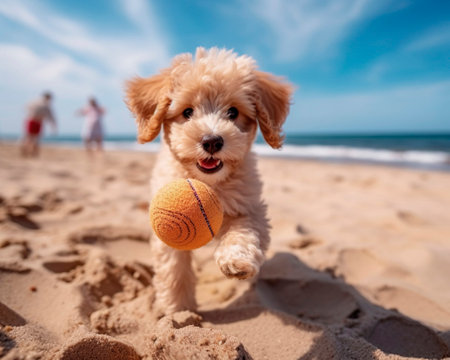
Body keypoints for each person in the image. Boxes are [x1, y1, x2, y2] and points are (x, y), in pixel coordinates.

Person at [21, 92, 57, 157]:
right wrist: (53, 125)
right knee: (33, 138)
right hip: (34, 121)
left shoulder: (37, 103)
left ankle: (30, 152)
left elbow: (26, 107)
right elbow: (51, 116)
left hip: (33, 120)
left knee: (31, 137)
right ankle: (30, 152)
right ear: (48, 97)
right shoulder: (45, 105)